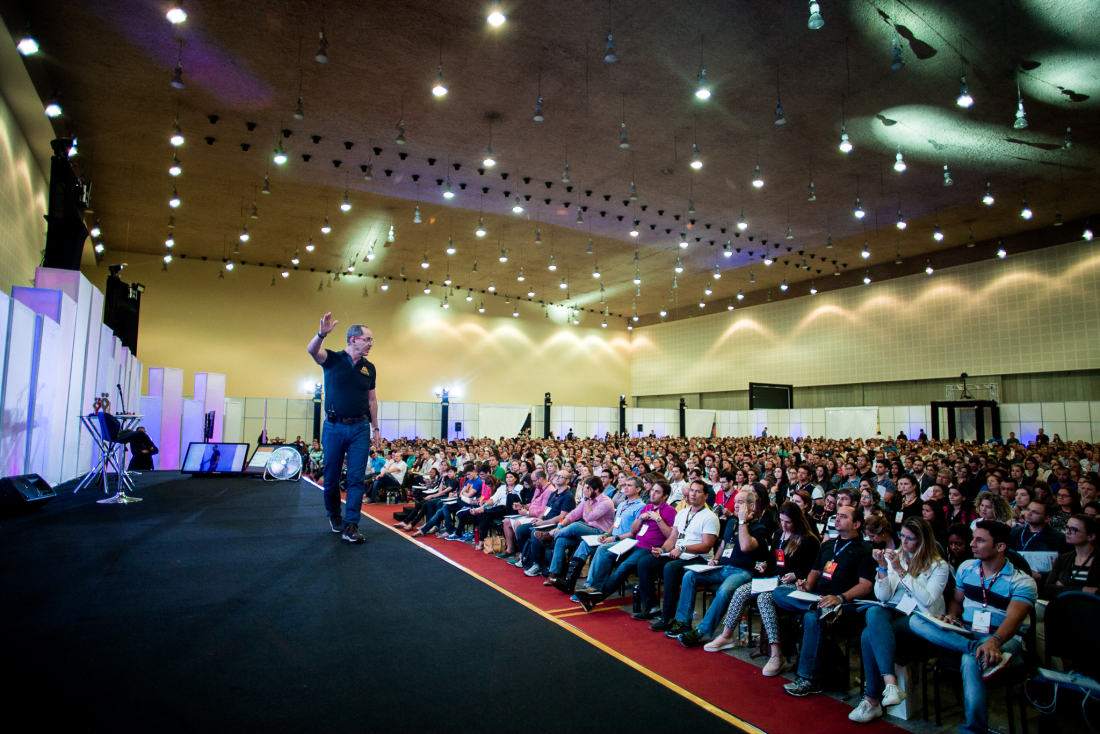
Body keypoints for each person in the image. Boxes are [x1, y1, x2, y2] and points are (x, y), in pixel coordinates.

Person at [910, 521, 1037, 734]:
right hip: (968, 632)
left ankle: (974, 730)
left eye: (980, 540)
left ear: (1000, 546)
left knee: (971, 660)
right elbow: (957, 602)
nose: (972, 544)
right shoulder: (966, 568)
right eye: (973, 539)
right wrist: (951, 616)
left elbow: (1014, 620)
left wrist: (994, 641)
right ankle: (974, 647)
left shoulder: (1022, 582)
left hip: (1006, 640)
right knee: (916, 621)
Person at [850, 517, 950, 723]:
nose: (904, 542)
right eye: (902, 536)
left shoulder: (939, 566)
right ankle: (890, 685)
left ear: (923, 541)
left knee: (868, 634)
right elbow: (882, 597)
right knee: (873, 612)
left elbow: (928, 600)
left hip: (920, 619)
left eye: (910, 539)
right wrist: (882, 569)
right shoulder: (895, 556)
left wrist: (900, 571)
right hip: (894, 613)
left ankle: (873, 699)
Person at [705, 501, 820, 674]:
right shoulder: (779, 534)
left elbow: (813, 567)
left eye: (788, 522)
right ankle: (727, 635)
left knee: (764, 599)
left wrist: (796, 574)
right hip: (773, 579)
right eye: (781, 521)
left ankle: (776, 653)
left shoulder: (808, 539)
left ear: (797, 520)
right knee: (742, 591)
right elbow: (773, 560)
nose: (784, 525)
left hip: (793, 583)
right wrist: (766, 565)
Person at [774, 505, 877, 696]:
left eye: (843, 516)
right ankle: (815, 605)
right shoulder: (828, 545)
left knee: (813, 618)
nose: (837, 519)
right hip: (818, 598)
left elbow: (866, 586)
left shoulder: (865, 550)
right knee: (779, 592)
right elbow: (816, 571)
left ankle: (808, 679)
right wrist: (807, 585)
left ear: (856, 524)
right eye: (837, 515)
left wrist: (840, 598)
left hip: (845, 604)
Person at [307, 314, 379, 544]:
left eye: (371, 340)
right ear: (353, 339)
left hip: (360, 428)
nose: (370, 343)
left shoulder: (369, 368)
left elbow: (372, 400)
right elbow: (312, 351)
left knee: (356, 478)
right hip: (334, 427)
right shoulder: (333, 359)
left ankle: (351, 525)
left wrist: (375, 428)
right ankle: (334, 515)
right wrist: (322, 334)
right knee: (331, 478)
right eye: (367, 339)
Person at [676, 487, 770, 646]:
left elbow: (746, 546)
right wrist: (716, 559)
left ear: (751, 506)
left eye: (741, 503)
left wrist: (742, 521)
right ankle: (683, 622)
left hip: (743, 572)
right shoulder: (731, 523)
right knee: (690, 576)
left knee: (725, 590)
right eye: (736, 503)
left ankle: (701, 632)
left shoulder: (759, 528)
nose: (737, 506)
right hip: (724, 567)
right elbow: (724, 545)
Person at [576, 480, 677, 612]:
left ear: (665, 496)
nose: (652, 494)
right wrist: (641, 518)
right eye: (652, 491)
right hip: (634, 543)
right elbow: (634, 530)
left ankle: (594, 598)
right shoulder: (647, 507)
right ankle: (595, 588)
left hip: (648, 548)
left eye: (657, 492)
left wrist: (658, 519)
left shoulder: (670, 511)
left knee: (623, 567)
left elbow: (671, 535)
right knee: (606, 556)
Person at [637, 480, 720, 633]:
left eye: (698, 491)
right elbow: (672, 539)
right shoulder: (682, 513)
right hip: (680, 553)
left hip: (700, 558)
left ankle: (668, 617)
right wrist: (662, 550)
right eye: (692, 490)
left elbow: (707, 545)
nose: (693, 494)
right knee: (645, 562)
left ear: (706, 496)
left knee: (671, 568)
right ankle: (652, 607)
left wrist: (683, 548)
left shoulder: (710, 517)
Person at [544, 476, 614, 586]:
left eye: (588, 489)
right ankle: (554, 573)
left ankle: (551, 536)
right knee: (561, 540)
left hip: (600, 533)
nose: (584, 491)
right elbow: (574, 514)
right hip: (586, 532)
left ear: (595, 490)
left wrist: (586, 499)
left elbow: (590, 517)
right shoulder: (589, 499)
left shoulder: (606, 502)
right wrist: (560, 526)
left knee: (576, 526)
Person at [1044, 514, 1099, 598]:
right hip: (1067, 605)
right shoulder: (1063, 558)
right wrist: (1083, 590)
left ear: (1091, 536)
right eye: (1067, 528)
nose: (1067, 532)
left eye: (1073, 530)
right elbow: (1048, 589)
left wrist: (1063, 588)